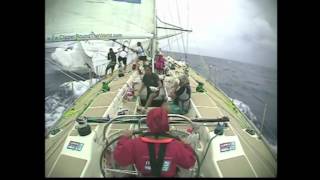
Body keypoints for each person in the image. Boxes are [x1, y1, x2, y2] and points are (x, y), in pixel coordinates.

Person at [113, 107, 196, 177]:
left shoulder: (134, 144)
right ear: (166, 123)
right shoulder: (177, 145)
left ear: (148, 123)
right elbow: (189, 162)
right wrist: (184, 144)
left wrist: (124, 138)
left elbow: (120, 160)